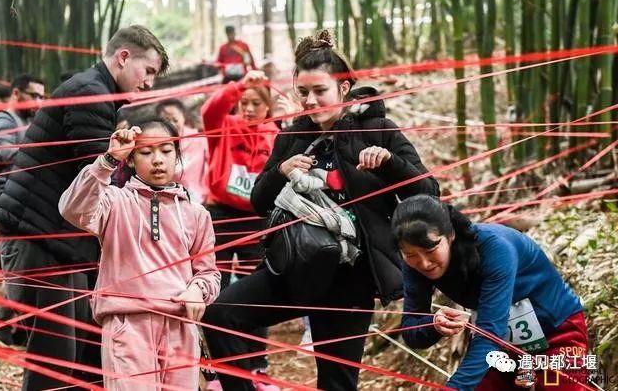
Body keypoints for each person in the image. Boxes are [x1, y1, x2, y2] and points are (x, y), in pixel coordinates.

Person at [202, 30, 440, 391]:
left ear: (343, 89)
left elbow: (428, 192)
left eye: (320, 91)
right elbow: (260, 201)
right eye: (303, 93)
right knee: (221, 316)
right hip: (294, 267)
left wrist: (390, 163)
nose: (311, 101)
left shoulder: (378, 130)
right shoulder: (291, 136)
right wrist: (281, 173)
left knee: (337, 383)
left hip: (350, 279)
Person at [0, 25, 168, 390]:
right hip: (38, 239)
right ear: (123, 57)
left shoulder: (98, 92)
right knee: (56, 357)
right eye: (147, 71)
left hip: (58, 242)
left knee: (82, 350)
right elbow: (95, 180)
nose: (149, 83)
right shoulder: (91, 94)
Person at [59, 117, 220, 390]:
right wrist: (109, 159)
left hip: (180, 327)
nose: (158, 160)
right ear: (131, 160)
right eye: (146, 152)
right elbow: (73, 208)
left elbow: (209, 273)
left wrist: (197, 290)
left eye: (166, 151)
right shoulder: (115, 202)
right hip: (127, 325)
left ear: (178, 155)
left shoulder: (197, 214)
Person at [393, 194, 588, 390]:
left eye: (431, 249)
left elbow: (490, 333)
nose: (424, 263)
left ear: (451, 235)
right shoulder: (413, 265)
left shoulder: (495, 248)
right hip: (499, 344)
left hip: (556, 330)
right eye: (410, 255)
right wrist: (433, 325)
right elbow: (410, 329)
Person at [201, 69, 279, 390]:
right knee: (211, 285)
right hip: (220, 214)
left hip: (255, 218)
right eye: (244, 103)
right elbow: (210, 111)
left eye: (255, 103)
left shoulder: (275, 134)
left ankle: (256, 363)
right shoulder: (224, 126)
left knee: (252, 291)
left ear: (267, 108)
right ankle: (213, 363)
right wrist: (238, 86)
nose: (248, 109)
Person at [0, 75, 45, 347]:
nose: (39, 102)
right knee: (19, 267)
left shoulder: (27, 122)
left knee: (29, 268)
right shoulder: (3, 120)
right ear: (16, 93)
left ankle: (18, 327)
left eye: (43, 96)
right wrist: (43, 150)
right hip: (6, 200)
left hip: (25, 202)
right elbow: (3, 154)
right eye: (34, 95)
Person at [156, 98, 209, 203]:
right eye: (166, 120)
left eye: (175, 120)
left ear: (183, 117)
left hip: (199, 199)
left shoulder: (199, 139)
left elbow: (211, 166)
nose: (171, 124)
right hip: (169, 200)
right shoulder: (155, 144)